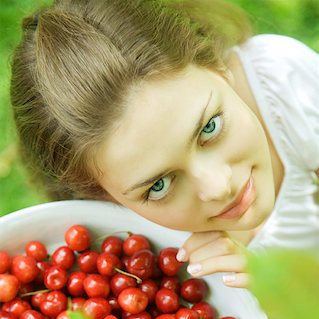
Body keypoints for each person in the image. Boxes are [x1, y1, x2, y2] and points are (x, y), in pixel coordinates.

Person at [10, 0, 319, 290]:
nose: (218, 187)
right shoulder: (141, 270)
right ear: (105, 197)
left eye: (210, 128)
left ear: (217, 69)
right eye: (158, 186)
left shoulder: (283, 87)